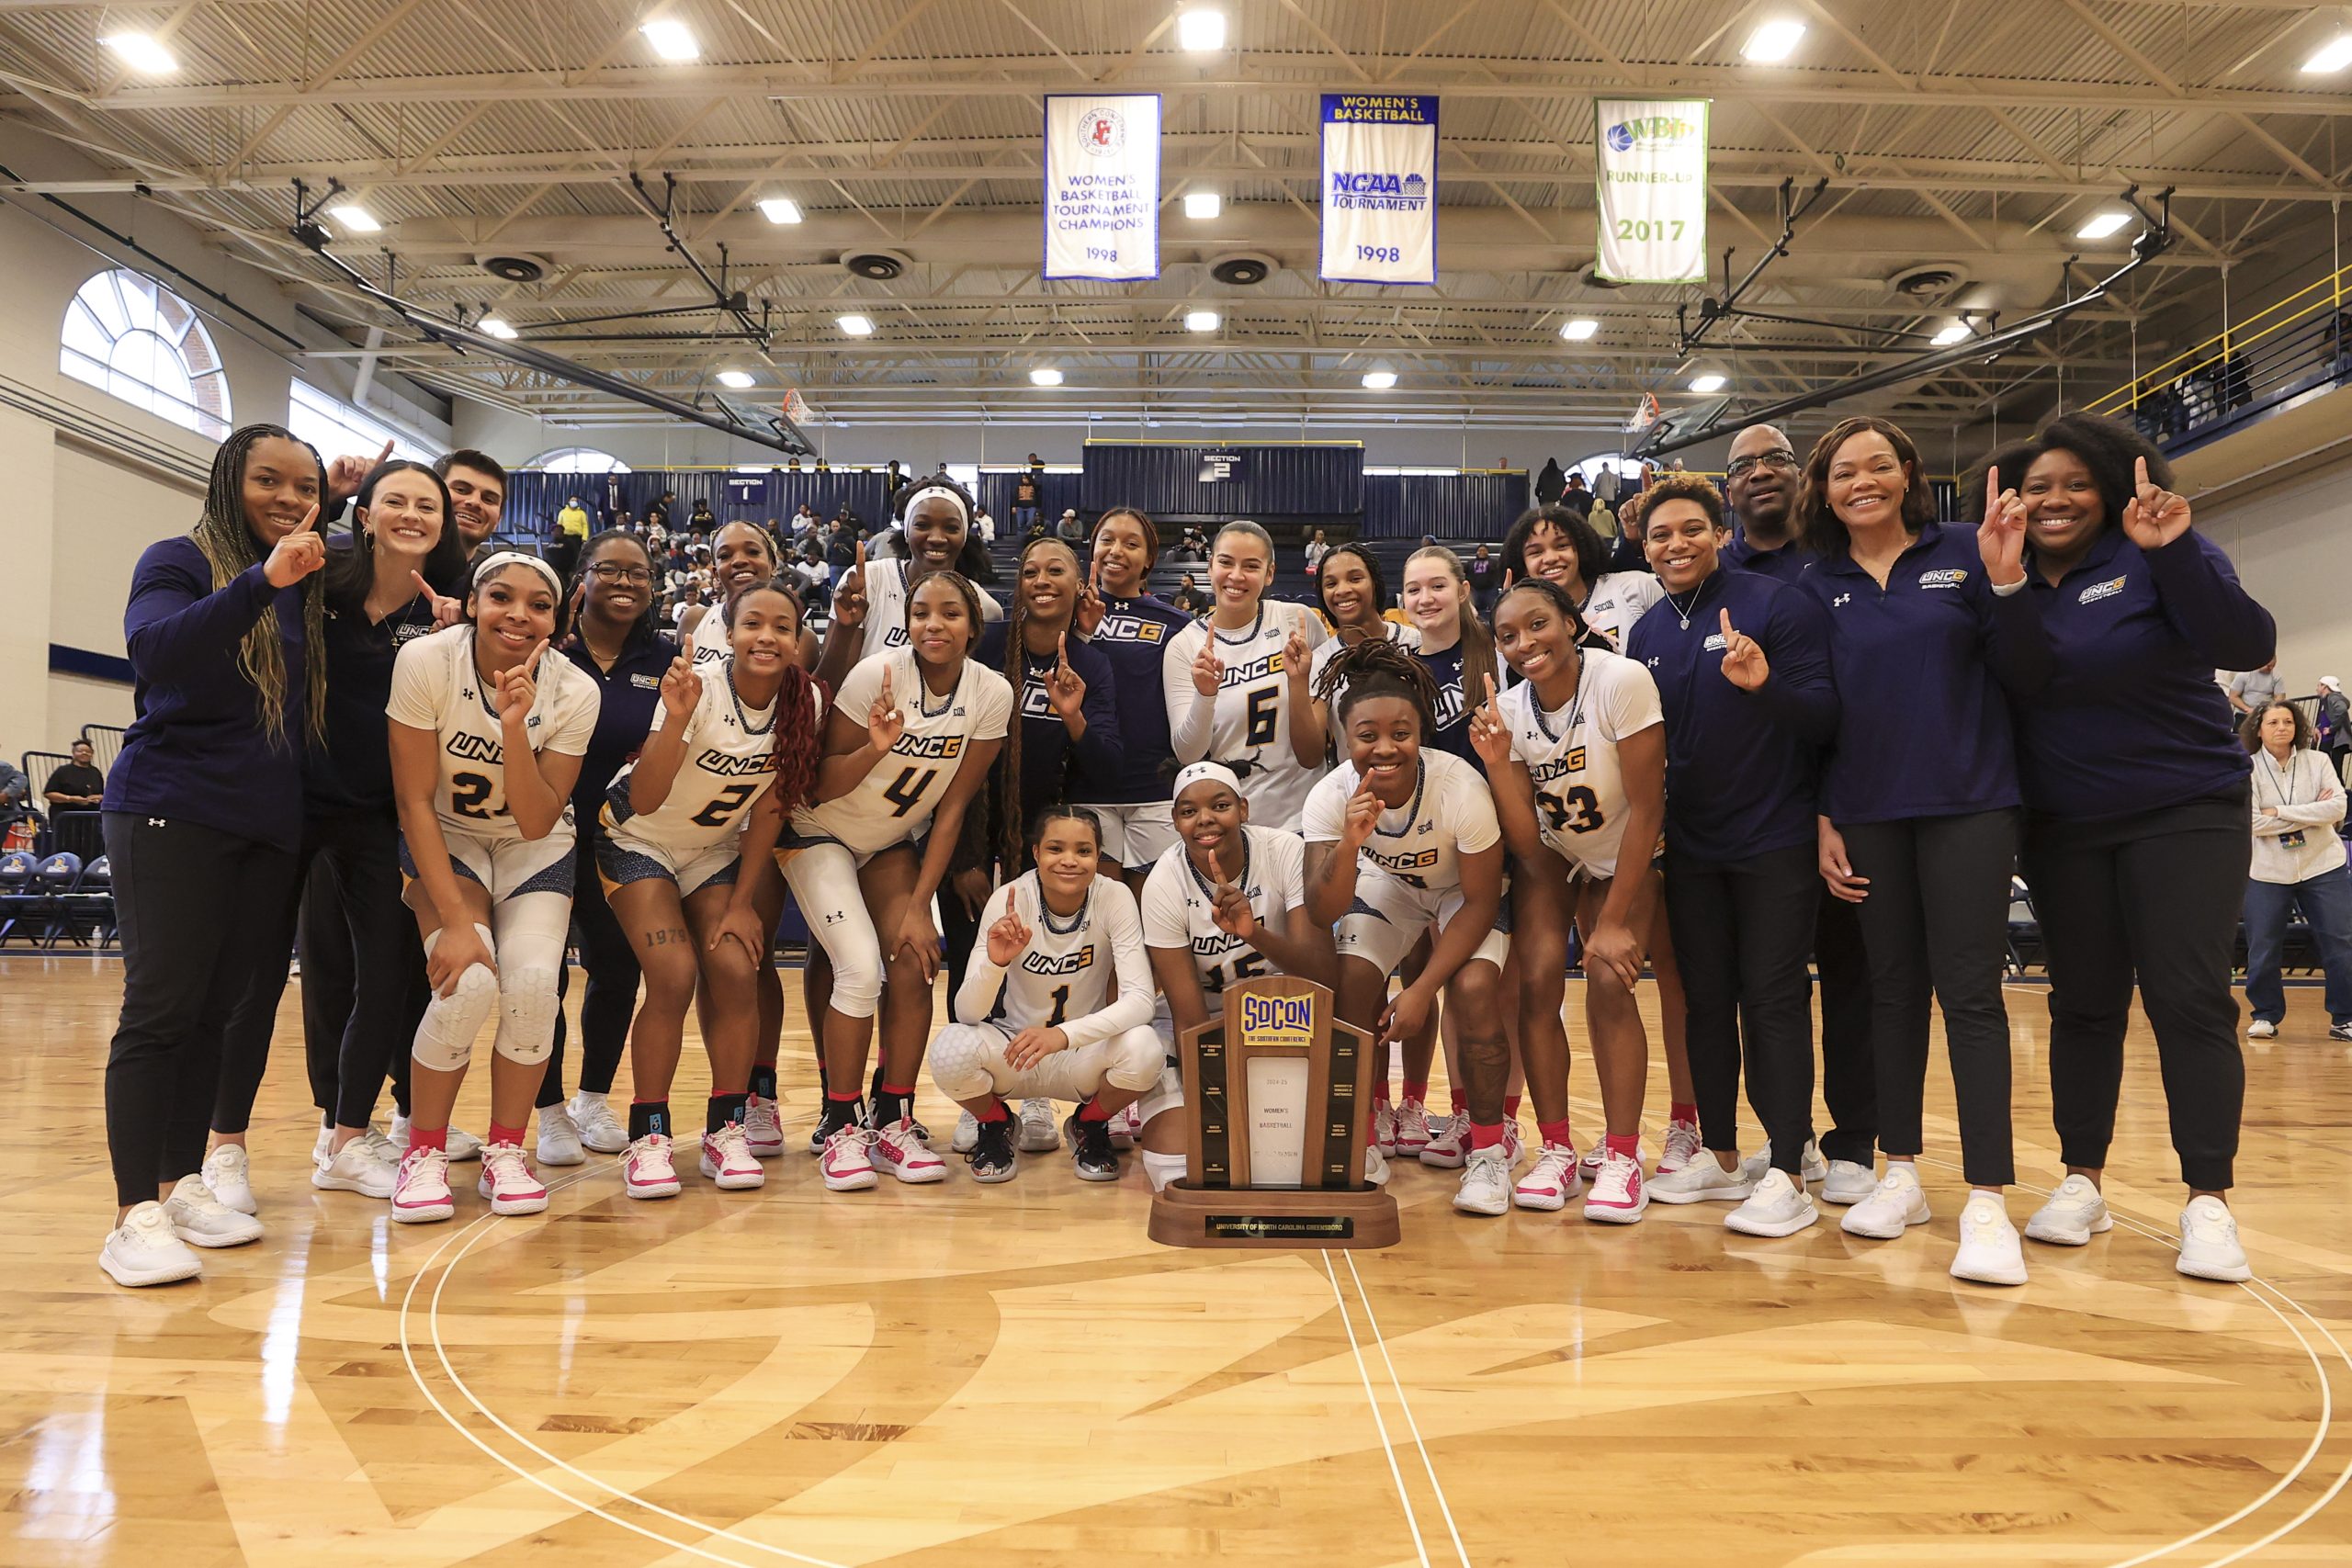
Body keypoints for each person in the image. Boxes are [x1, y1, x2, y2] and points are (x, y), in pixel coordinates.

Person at [1971, 412, 2274, 1283]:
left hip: (2185, 806)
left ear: (2109, 486)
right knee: (2085, 1004)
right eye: (2037, 487)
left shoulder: (2159, 548)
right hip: (2066, 823)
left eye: (2074, 483)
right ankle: (2082, 1179)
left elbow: (2247, 644)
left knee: (2187, 1000)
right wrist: (2003, 586)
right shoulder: (2010, 570)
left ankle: (2209, 1200)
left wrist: (2174, 550)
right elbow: (2024, 679)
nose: (2056, 500)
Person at [1796, 414, 2048, 1286]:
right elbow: (1823, 713)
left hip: (1970, 802)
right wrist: (1827, 815)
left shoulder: (1965, 551)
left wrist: (2009, 579)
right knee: (1891, 992)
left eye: (1876, 466)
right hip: (1867, 809)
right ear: (1823, 491)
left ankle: (1986, 1198)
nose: (1860, 481)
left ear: (1907, 473)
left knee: (1971, 995)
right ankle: (1899, 1171)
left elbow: (2023, 672)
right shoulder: (1815, 581)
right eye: (1841, 472)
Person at [97, 425, 327, 1286]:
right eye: (268, 480)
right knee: (160, 1012)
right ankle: (130, 1215)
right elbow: (156, 652)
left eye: (303, 487)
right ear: (230, 480)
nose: (287, 499)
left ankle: (178, 1178)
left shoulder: (301, 580)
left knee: (215, 1013)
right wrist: (259, 582)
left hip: (262, 824)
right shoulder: (179, 558)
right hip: (170, 810)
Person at [214, 459, 469, 1207]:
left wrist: (459, 649)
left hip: (375, 812)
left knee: (386, 976)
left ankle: (347, 1140)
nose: (412, 514)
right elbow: (272, 564)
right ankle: (226, 1148)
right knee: (258, 978)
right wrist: (325, 491)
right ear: (364, 512)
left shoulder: (441, 617)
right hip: (289, 800)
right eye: (396, 501)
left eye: (428, 504)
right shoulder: (319, 582)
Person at [1626, 474, 1840, 1235]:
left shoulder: (1775, 604)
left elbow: (1823, 715)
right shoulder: (1646, 631)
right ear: (1642, 547)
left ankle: (1788, 1164)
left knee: (1773, 997)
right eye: (1659, 535)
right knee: (1706, 998)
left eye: (1690, 529)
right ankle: (1720, 1155)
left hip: (1774, 835)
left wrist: (1764, 684)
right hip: (1692, 846)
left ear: (1720, 532)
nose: (1675, 544)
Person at [385, 553, 602, 1224]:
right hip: (449, 835)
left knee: (536, 984)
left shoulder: (575, 691)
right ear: (473, 602)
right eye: (502, 597)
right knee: (470, 982)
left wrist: (514, 724)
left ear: (557, 621)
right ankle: (422, 1151)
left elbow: (537, 816)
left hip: (534, 843)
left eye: (538, 604)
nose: (518, 613)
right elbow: (413, 799)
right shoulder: (426, 661)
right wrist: (452, 919)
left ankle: (507, 1149)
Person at [783, 570, 1010, 1192]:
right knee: (859, 967)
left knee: (913, 959)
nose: (934, 624)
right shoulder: (875, 676)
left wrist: (918, 905)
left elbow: (954, 807)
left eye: (950, 613)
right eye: (920, 612)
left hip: (888, 840)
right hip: (818, 828)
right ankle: (840, 1123)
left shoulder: (992, 692)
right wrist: (878, 748)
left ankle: (894, 1117)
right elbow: (819, 784)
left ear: (973, 626)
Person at [600, 578, 824, 1198]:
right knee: (672, 974)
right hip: (637, 836)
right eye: (754, 623)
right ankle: (648, 1135)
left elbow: (774, 807)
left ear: (799, 638)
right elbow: (644, 796)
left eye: (783, 626)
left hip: (713, 850)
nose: (768, 636)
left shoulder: (805, 702)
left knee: (735, 965)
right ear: (729, 633)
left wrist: (744, 900)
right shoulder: (696, 689)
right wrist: (673, 719)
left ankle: (726, 1128)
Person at [1476, 578, 1668, 1223]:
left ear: (1570, 621)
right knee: (1534, 985)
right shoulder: (1507, 709)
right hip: (1557, 854)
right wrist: (1501, 765)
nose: (1525, 643)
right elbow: (1529, 844)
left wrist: (1609, 922)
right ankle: (1555, 1146)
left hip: (1627, 848)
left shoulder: (1621, 680)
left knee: (1611, 982)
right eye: (1508, 635)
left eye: (1538, 625)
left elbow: (1648, 809)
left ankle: (1620, 1154)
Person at [1721, 421, 1876, 1202]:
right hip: (1758, 812)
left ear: (1799, 472)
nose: (1760, 473)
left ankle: (1854, 1141)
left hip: (1849, 792)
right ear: (1729, 488)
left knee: (1853, 973)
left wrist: (1839, 799)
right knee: (1768, 988)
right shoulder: (1716, 576)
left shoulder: (1840, 556)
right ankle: (1792, 1139)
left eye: (1775, 458)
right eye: (1742, 465)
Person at [1308, 641, 1507, 1205]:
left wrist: (1421, 990)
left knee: (1473, 990)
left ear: (1420, 733)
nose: (1385, 747)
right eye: (1367, 736)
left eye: (1401, 732)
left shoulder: (1459, 786)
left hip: (1458, 896)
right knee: (1352, 986)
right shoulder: (1330, 795)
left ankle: (1489, 1152)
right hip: (1389, 888)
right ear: (1345, 741)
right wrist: (1348, 844)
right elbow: (1322, 911)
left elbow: (1481, 901)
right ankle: (1362, 1138)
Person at [945, 537, 1123, 1156]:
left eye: (1057, 571)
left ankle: (1036, 1092)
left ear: (1080, 586)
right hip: (973, 824)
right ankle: (981, 1101)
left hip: (1043, 838)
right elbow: (959, 753)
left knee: (1034, 969)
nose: (1041, 580)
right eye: (1030, 571)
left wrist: (1072, 712)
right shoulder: (989, 649)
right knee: (975, 956)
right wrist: (966, 857)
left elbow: (1105, 765)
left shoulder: (1093, 665)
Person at [535, 531, 673, 1165]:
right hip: (538, 833)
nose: (625, 582)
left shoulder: (666, 659)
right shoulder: (546, 649)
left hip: (615, 838)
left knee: (617, 970)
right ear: (581, 578)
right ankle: (549, 1109)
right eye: (610, 570)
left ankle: (593, 1096)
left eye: (638, 573)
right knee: (540, 977)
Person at [932, 807, 1160, 1182]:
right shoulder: (1010, 899)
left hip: (1082, 1053)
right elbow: (967, 1011)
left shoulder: (1114, 897)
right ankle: (996, 1125)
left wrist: (1063, 1036)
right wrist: (994, 963)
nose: (1069, 860)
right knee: (949, 1049)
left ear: (1098, 856)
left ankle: (1089, 1125)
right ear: (1036, 853)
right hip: (1015, 1050)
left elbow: (1140, 1000)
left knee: (1145, 1048)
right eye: (1056, 849)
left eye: (1084, 851)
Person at [1138, 762, 1333, 1192]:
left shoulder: (1284, 849)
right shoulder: (1163, 883)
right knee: (1177, 1169)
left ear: (1243, 809)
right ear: (1175, 822)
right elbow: (1189, 1020)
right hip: (1201, 1025)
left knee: (1310, 1163)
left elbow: (1321, 975)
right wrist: (1219, 1115)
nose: (1205, 819)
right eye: (1188, 811)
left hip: (1283, 1015)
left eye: (1220, 805)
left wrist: (1254, 933)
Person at [1162, 521, 1329, 834]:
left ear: (1269, 573)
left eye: (1251, 566)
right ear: (1210, 567)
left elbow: (1314, 751)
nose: (1236, 576)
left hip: (1305, 817)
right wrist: (1205, 696)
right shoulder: (1183, 646)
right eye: (1226, 562)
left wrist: (1298, 682)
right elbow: (1187, 753)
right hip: (1231, 826)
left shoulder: (1299, 621)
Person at [1070, 507, 1193, 886]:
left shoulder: (1177, 624)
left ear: (1149, 560)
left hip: (1153, 791)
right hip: (1088, 787)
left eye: (1131, 543)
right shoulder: (1069, 615)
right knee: (1098, 918)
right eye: (1106, 540)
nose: (1116, 551)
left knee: (1150, 917)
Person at [817, 476, 1003, 683]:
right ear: (906, 531)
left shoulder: (983, 606)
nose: (936, 538)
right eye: (922, 525)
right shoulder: (869, 580)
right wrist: (845, 629)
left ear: (965, 536)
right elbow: (827, 687)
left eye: (951, 528)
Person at [2243, 701, 2352, 1046]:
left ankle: (2345, 1018)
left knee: (2341, 942)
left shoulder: (2318, 760)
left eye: (2288, 721)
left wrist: (2279, 811)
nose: (2281, 727)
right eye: (2273, 721)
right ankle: (2264, 1015)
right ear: (2258, 729)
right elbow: (2252, 822)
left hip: (2323, 865)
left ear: (2297, 726)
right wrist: (2312, 813)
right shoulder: (2246, 768)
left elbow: (2338, 807)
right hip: (2267, 870)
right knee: (2262, 947)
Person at [1500, 502, 1662, 653]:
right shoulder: (1522, 626)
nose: (1550, 558)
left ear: (1580, 549)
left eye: (1562, 545)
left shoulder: (1635, 587)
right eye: (1536, 552)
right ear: (1523, 566)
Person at [1396, 546, 1498, 763]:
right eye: (1413, 590)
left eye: (1438, 586)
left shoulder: (1496, 642)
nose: (1425, 599)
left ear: (1462, 591)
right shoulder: (1404, 675)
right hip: (1449, 793)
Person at [43, 738, 107, 862]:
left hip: (89, 819)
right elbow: (49, 793)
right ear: (73, 753)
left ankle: (87, 877)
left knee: (91, 847)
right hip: (65, 818)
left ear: (92, 753)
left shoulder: (95, 772)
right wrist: (70, 799)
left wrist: (99, 797)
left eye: (88, 751)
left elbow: (102, 793)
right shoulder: (63, 771)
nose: (84, 753)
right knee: (66, 847)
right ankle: (65, 878)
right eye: (80, 751)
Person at [435, 450, 507, 558]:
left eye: (488, 499)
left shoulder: (491, 575)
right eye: (461, 490)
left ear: (498, 521)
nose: (475, 502)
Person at [2318, 675, 2349, 781]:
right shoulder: (2325, 700)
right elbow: (2326, 718)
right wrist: (2318, 728)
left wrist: (2331, 729)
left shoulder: (2333, 697)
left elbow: (2342, 709)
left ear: (2324, 687)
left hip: (2335, 740)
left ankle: (2340, 794)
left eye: (2319, 685)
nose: (2317, 688)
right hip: (2329, 740)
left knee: (2334, 771)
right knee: (2330, 770)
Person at [551, 494, 590, 581]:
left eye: (575, 500)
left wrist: (585, 538)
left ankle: (576, 573)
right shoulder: (563, 512)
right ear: (569, 501)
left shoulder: (581, 513)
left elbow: (585, 526)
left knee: (576, 555)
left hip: (577, 538)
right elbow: (559, 524)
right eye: (572, 500)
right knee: (565, 555)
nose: (574, 502)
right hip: (565, 537)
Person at [1468, 544, 1498, 616]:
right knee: (1474, 612)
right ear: (1477, 552)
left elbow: (1499, 572)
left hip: (1490, 590)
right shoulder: (1470, 563)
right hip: (1475, 590)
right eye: (1480, 550)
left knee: (1494, 610)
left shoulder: (1494, 562)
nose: (1482, 552)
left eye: (1484, 550)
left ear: (1487, 552)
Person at [1012, 462, 1041, 535]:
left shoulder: (1034, 486)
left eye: (1025, 478)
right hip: (1020, 507)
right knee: (1020, 524)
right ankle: (1020, 539)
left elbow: (1039, 492)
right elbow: (1015, 496)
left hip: (1031, 507)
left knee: (1030, 523)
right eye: (1023, 478)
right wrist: (1014, 506)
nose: (1024, 480)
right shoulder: (1018, 486)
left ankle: (1029, 536)